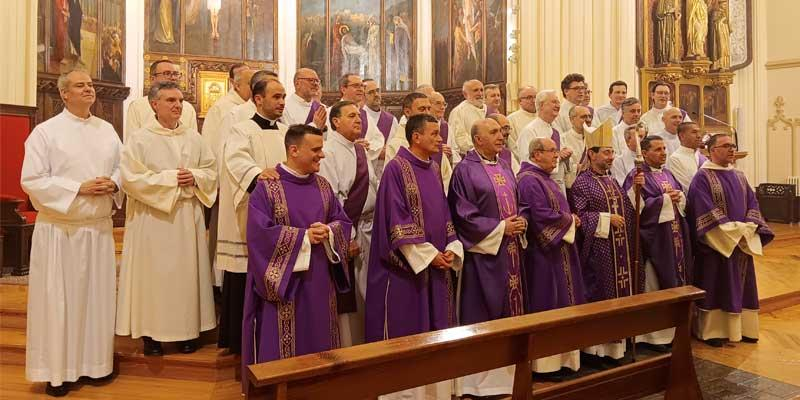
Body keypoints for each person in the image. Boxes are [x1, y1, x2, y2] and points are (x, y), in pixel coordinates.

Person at [21, 69, 123, 397]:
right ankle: (57, 372)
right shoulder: (45, 133)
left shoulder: (106, 129)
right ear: (64, 94)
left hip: (97, 230)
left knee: (96, 300)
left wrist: (115, 183)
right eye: (81, 85)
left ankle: (94, 365)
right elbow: (32, 180)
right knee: (58, 303)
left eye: (90, 85)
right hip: (60, 232)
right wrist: (78, 188)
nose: (89, 89)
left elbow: (123, 166)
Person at [241, 124, 352, 388]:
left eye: (321, 149)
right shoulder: (268, 188)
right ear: (293, 150)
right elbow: (258, 235)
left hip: (321, 283)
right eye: (315, 150)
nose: (321, 155)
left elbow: (342, 222)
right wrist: (303, 238)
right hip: (285, 288)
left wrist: (329, 231)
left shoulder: (324, 186)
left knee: (320, 343)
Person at [366, 114, 464, 400]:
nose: (439, 138)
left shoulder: (433, 168)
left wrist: (450, 248)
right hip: (405, 269)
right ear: (415, 137)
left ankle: (436, 391)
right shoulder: (397, 168)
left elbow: (444, 213)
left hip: (435, 262)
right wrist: (428, 255)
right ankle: (405, 394)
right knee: (408, 324)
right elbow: (395, 220)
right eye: (433, 133)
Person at [116, 81, 217, 356]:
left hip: (186, 217)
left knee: (186, 277)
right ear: (154, 105)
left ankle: (187, 332)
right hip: (153, 219)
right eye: (170, 100)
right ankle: (151, 335)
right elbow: (131, 179)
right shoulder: (140, 138)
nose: (177, 105)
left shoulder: (193, 138)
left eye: (180, 100)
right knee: (153, 278)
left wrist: (195, 176)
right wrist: (173, 178)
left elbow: (211, 171)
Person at [449, 118, 526, 397]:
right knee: (481, 312)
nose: (500, 136)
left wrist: (521, 222)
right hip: (484, 256)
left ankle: (509, 377)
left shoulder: (505, 166)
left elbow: (519, 203)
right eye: (493, 132)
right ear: (477, 140)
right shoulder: (464, 171)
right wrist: (501, 228)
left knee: (511, 312)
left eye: (501, 131)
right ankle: (477, 383)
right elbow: (462, 215)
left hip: (512, 254)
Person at [215, 78, 287, 355]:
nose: (282, 102)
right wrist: (257, 174)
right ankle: (239, 339)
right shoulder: (240, 130)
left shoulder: (286, 132)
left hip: (281, 218)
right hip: (249, 214)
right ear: (258, 99)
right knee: (244, 272)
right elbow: (235, 161)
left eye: (283, 97)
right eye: (276, 97)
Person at [687, 134, 773, 347]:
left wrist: (748, 228)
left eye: (733, 145)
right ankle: (713, 331)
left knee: (743, 285)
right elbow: (703, 208)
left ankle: (744, 328)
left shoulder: (740, 176)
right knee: (716, 284)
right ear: (711, 150)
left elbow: (753, 204)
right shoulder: (702, 177)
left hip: (741, 241)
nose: (731, 149)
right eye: (725, 146)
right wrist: (732, 231)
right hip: (717, 244)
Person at [569, 121, 639, 364]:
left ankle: (619, 346)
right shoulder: (582, 183)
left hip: (620, 250)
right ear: (592, 153)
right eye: (606, 152)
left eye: (612, 152)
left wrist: (635, 191)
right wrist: (605, 219)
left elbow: (628, 211)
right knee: (601, 296)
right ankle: (597, 351)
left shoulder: (612, 180)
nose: (611, 157)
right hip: (598, 254)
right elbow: (578, 218)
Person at [518, 137, 586, 380]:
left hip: (561, 251)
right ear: (536, 154)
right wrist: (570, 220)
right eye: (552, 151)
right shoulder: (528, 180)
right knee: (548, 303)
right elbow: (539, 216)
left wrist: (569, 218)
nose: (557, 155)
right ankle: (546, 365)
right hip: (544, 256)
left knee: (564, 303)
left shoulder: (543, 178)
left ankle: (565, 360)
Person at [318, 101, 380, 347]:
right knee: (351, 294)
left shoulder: (360, 150)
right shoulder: (328, 151)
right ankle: (349, 347)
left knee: (367, 292)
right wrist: (348, 235)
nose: (359, 120)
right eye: (352, 115)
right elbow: (330, 198)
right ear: (335, 122)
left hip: (369, 229)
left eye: (359, 116)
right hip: (350, 232)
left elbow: (374, 185)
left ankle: (368, 342)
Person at [622, 136, 691, 351]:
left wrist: (679, 196)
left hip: (673, 238)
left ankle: (672, 332)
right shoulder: (637, 175)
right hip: (654, 242)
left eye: (664, 148)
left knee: (674, 284)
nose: (663, 152)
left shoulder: (668, 173)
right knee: (654, 285)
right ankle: (652, 337)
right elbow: (636, 208)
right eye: (658, 149)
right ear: (644, 152)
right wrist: (665, 200)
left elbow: (680, 198)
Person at [203, 66, 254, 289]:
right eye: (251, 83)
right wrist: (217, 182)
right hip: (226, 183)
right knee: (222, 233)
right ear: (236, 84)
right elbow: (212, 146)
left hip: (247, 186)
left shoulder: (251, 108)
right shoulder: (224, 109)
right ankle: (217, 283)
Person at [384, 92, 454, 188]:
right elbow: (391, 183)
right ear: (407, 112)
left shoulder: (434, 143)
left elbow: (447, 179)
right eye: (422, 109)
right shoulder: (396, 145)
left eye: (429, 109)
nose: (427, 113)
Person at [125, 59, 197, 139]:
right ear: (152, 79)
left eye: (175, 74)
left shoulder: (188, 109)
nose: (173, 78)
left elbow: (193, 141)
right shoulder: (137, 106)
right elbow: (131, 141)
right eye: (167, 73)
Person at [517, 90, 571, 195]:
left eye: (558, 102)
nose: (558, 105)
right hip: (540, 184)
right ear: (541, 105)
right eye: (554, 102)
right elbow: (527, 161)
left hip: (558, 182)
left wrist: (566, 154)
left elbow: (562, 157)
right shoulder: (530, 130)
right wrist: (559, 156)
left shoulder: (556, 129)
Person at [329, 74, 385, 163]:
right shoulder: (330, 112)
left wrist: (368, 146)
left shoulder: (365, 115)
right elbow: (325, 141)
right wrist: (350, 145)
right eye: (356, 86)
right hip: (339, 163)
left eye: (362, 86)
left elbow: (378, 139)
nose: (360, 89)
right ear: (343, 89)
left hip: (362, 164)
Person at [449, 79, 488, 157]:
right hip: (470, 156)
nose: (480, 93)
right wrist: (480, 148)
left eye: (481, 90)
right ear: (465, 94)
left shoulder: (488, 109)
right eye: (475, 90)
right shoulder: (459, 111)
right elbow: (459, 138)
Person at [667, 121, 708, 192]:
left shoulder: (703, 158)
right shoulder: (675, 159)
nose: (699, 136)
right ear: (682, 136)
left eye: (699, 132)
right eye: (694, 132)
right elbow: (685, 186)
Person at [562, 105, 592, 190]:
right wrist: (578, 167)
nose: (588, 120)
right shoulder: (562, 139)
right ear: (572, 119)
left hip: (594, 187)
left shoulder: (596, 136)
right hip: (573, 187)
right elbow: (561, 166)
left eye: (590, 116)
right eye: (583, 117)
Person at [507, 85, 538, 160]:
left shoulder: (543, 116)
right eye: (529, 97)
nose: (534, 100)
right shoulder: (511, 119)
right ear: (520, 101)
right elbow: (513, 147)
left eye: (535, 97)